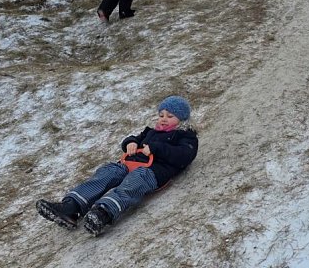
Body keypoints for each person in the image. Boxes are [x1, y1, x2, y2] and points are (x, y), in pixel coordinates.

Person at [36, 96, 198, 236]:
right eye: (161, 114)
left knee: (134, 181)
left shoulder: (186, 136)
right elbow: (133, 138)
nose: (163, 118)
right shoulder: (150, 131)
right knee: (108, 172)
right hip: (130, 162)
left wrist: (156, 149)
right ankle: (71, 207)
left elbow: (185, 156)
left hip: (154, 171)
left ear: (182, 119)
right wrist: (131, 143)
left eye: (170, 116)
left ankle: (103, 212)